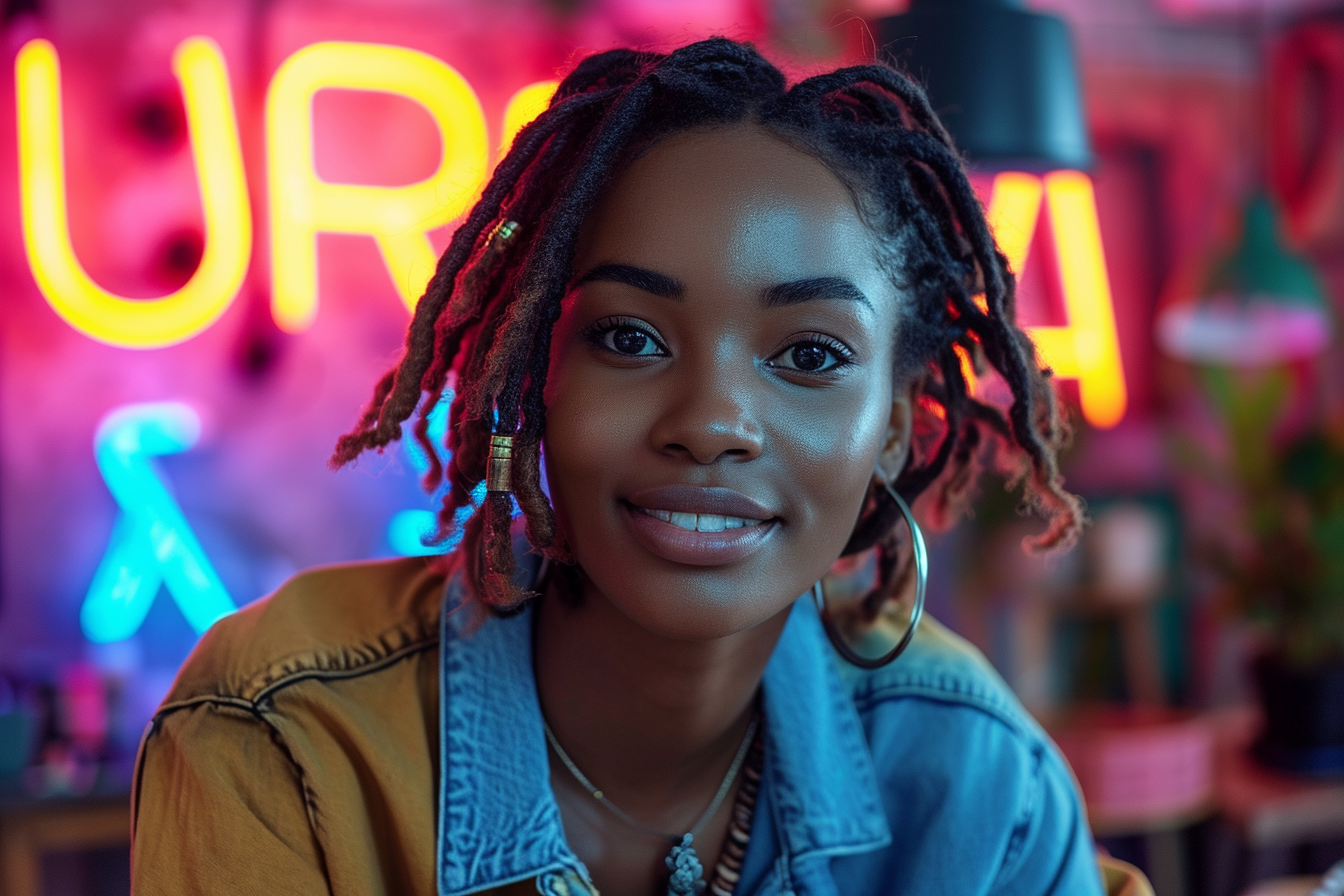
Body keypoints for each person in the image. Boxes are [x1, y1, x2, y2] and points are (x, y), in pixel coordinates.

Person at [130, 37, 1152, 896]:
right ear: (530, 379)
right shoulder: (286, 739)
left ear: (892, 426)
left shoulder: (972, 778)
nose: (711, 422)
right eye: (629, 337)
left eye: (808, 354)